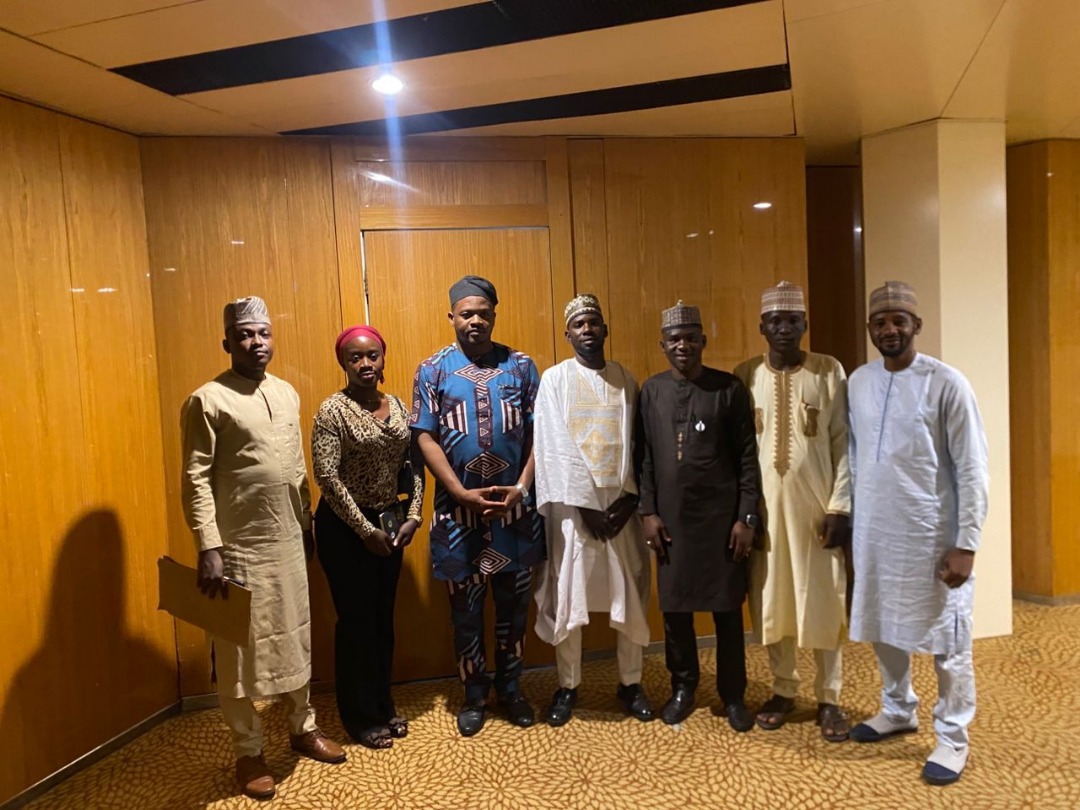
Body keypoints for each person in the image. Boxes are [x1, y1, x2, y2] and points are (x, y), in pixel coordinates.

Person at [180, 296, 345, 801]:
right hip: (238, 548)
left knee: (295, 634)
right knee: (237, 649)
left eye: (264, 333)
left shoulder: (286, 393)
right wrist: (209, 545)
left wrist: (307, 523)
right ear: (227, 342)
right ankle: (248, 751)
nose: (256, 343)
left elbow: (295, 469)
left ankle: (302, 727)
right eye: (245, 335)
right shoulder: (207, 400)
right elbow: (195, 478)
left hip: (289, 540)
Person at [847, 281, 989, 786]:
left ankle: (953, 737)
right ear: (870, 329)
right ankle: (897, 709)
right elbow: (855, 456)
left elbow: (972, 467)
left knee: (949, 639)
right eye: (880, 322)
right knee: (882, 624)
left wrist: (966, 542)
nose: (889, 329)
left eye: (898, 321)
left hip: (932, 536)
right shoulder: (859, 381)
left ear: (916, 326)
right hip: (875, 532)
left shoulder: (947, 383)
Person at [410, 275, 544, 737]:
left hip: (516, 514)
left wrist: (521, 488)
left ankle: (511, 689)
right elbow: (424, 435)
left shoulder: (521, 366)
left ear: (494, 316)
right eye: (466, 313)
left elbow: (539, 433)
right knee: (465, 613)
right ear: (451, 316)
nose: (475, 321)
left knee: (514, 610)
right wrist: (459, 491)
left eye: (483, 313)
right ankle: (473, 695)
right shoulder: (432, 370)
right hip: (457, 515)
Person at [734, 281, 852, 742]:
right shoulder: (746, 374)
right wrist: (745, 514)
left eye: (792, 321)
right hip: (765, 515)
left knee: (823, 600)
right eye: (775, 321)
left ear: (805, 324)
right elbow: (741, 452)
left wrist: (840, 507)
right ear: (762, 327)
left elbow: (844, 443)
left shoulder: (828, 371)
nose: (784, 329)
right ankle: (783, 690)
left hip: (817, 512)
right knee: (773, 600)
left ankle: (830, 697)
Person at [637, 300, 761, 732]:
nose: (683, 346)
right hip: (671, 520)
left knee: (727, 611)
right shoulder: (651, 391)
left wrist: (746, 517)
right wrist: (648, 511)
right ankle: (683, 688)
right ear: (663, 345)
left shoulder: (729, 389)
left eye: (691, 338)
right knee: (676, 612)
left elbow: (747, 459)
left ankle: (733, 695)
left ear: (703, 341)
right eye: (674, 339)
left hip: (722, 521)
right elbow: (644, 459)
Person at [533, 294, 654, 726]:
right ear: (567, 334)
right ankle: (568, 685)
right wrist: (585, 507)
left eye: (594, 322)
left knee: (631, 588)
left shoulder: (625, 378)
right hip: (573, 510)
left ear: (606, 329)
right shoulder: (555, 380)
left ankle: (631, 682)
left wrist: (630, 498)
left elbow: (637, 443)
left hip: (620, 507)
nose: (587, 330)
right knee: (570, 592)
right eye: (579, 324)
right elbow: (552, 445)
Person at [311, 325, 425, 749]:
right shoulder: (332, 411)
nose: (365, 364)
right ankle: (360, 717)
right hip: (345, 528)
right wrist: (364, 530)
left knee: (381, 620)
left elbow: (413, 465)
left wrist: (414, 514)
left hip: (390, 523)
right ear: (343, 363)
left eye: (372, 355)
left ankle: (382, 703)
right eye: (355, 357)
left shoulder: (397, 406)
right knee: (356, 623)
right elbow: (327, 477)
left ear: (382, 358)